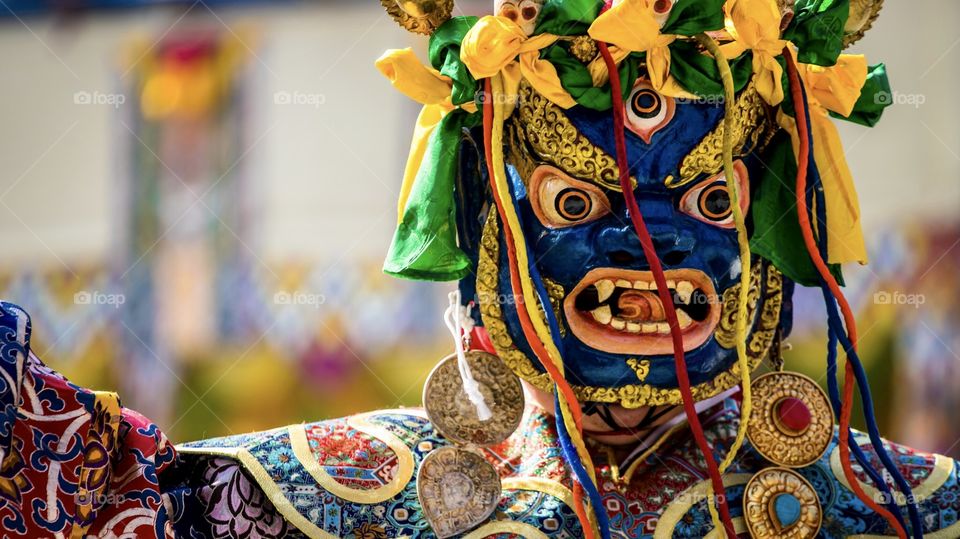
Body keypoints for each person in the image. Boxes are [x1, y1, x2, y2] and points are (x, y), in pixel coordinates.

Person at [3, 0, 959, 537]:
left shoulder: (909, 512)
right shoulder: (332, 499)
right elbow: (69, 490)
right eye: (578, 204)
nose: (653, 243)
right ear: (483, 218)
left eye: (709, 203)